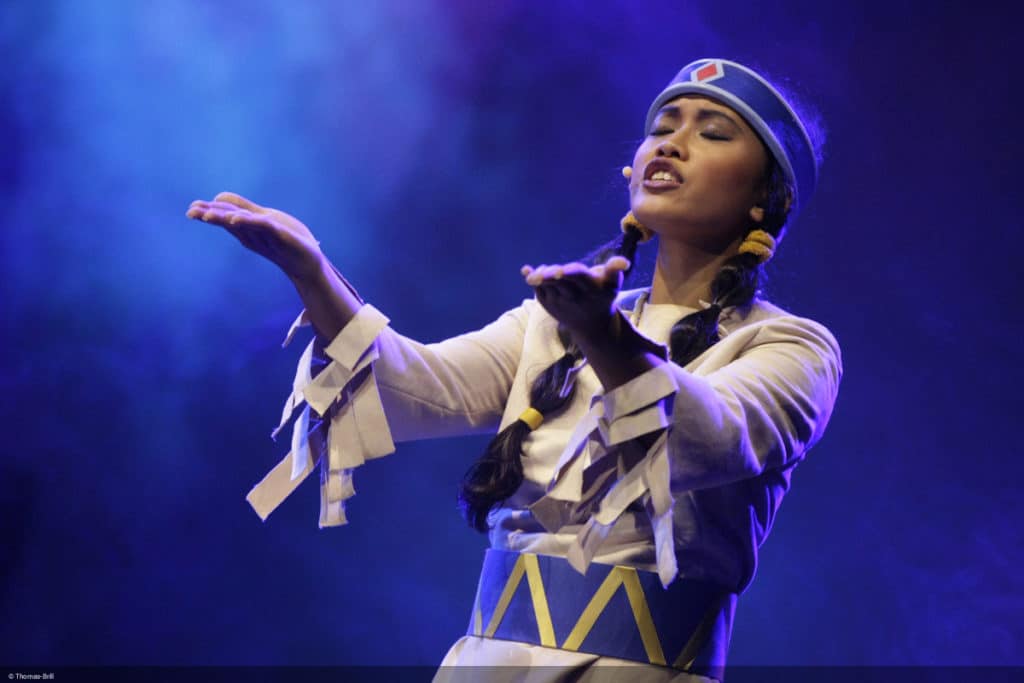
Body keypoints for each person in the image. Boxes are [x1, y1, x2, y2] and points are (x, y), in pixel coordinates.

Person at [186, 58, 842, 682]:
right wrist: (313, 271)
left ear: (764, 197)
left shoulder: (790, 346)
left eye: (713, 133)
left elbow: (707, 438)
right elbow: (409, 390)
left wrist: (603, 334)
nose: (671, 144)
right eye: (662, 128)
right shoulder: (551, 322)